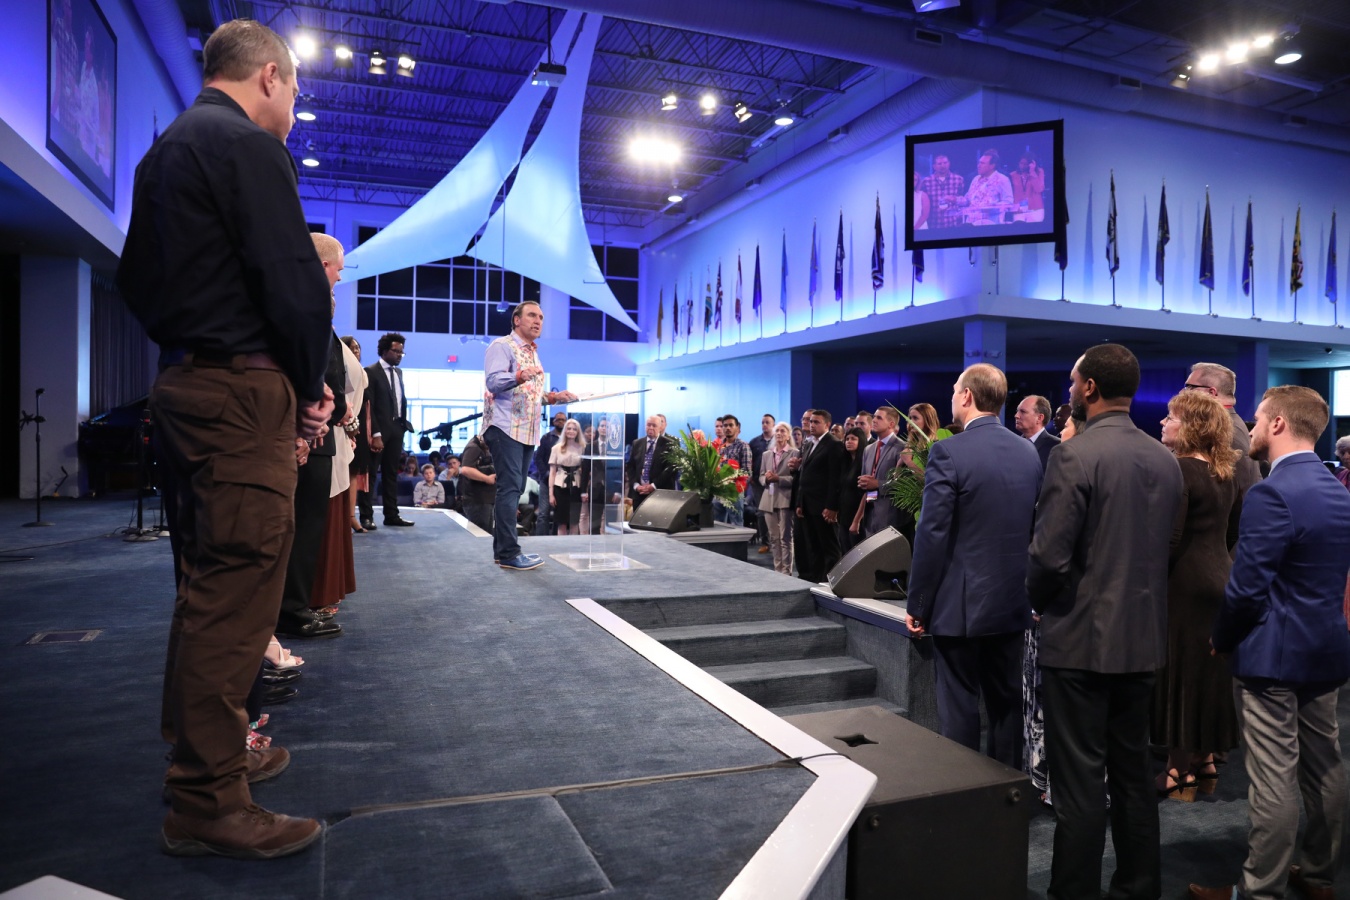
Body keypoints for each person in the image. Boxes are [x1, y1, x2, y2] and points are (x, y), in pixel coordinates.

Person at [116, 18, 330, 859]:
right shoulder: (246, 145)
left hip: (187, 383)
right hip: (241, 396)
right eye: (296, 90)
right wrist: (308, 385)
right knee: (238, 592)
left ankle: (202, 752)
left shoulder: (166, 150)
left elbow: (135, 280)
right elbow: (293, 282)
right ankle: (207, 798)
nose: (294, 109)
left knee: (206, 587)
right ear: (269, 75)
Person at [1027, 344, 1182, 900]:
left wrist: (1038, 601)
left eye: (1073, 381)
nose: (1070, 389)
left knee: (1080, 784)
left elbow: (1049, 557)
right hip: (1142, 641)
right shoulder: (1164, 459)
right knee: (1134, 778)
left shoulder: (1074, 455)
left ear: (1089, 387)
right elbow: (1167, 548)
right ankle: (1139, 888)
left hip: (1080, 643)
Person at [1190, 386, 1350, 900]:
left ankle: (1261, 890)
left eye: (1258, 419)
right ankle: (1319, 875)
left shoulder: (1271, 492)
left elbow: (1246, 588)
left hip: (1272, 658)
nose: (1252, 428)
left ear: (1278, 423)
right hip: (1326, 649)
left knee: (1273, 777)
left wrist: (1221, 638)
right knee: (1325, 765)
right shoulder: (1338, 490)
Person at [907, 364, 1042, 766]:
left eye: (954, 390)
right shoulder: (1028, 451)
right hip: (1013, 601)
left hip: (960, 608)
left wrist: (918, 604)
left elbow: (932, 534)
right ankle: (1006, 793)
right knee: (1006, 706)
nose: (953, 397)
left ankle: (966, 793)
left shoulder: (948, 451)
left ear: (966, 396)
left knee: (959, 708)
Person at [1151, 390, 1243, 800]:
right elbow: (1233, 533)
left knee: (1181, 675)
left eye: (1170, 417)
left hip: (1184, 584)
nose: (1163, 423)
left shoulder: (1179, 469)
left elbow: (1170, 539)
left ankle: (1176, 770)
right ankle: (1205, 760)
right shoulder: (1227, 472)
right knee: (1209, 673)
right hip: (1219, 577)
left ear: (1190, 426)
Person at [481, 300, 575, 569]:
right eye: (532, 315)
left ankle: (502, 552)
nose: (538, 321)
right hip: (504, 427)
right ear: (516, 320)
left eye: (541, 317)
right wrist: (520, 375)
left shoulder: (533, 353)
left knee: (515, 488)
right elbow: (493, 381)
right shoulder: (502, 346)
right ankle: (509, 553)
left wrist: (553, 397)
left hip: (527, 430)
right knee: (510, 488)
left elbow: (529, 394)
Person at [1184, 362, 1263, 499]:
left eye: (1190, 387)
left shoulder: (1228, 430)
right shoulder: (1220, 425)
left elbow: (1239, 487)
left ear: (1211, 393)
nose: (1183, 392)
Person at [365, 332, 414, 527]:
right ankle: (366, 516)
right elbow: (369, 406)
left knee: (391, 474)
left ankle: (391, 515)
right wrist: (375, 433)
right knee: (370, 474)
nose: (400, 355)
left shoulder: (398, 372)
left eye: (402, 352)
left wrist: (402, 426)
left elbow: (400, 401)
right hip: (378, 431)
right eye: (396, 351)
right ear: (384, 351)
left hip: (396, 429)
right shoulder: (371, 371)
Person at [794, 409, 847, 583]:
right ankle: (816, 581)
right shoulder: (810, 444)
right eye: (811, 422)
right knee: (813, 547)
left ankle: (833, 583)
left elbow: (835, 478)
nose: (812, 425)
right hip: (808, 505)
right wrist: (800, 503)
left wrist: (832, 507)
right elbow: (804, 476)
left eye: (816, 422)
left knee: (829, 547)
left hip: (824, 507)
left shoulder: (833, 444)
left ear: (827, 424)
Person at [852, 406, 905, 538]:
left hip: (891, 519)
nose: (874, 420)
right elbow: (868, 487)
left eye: (879, 418)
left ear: (891, 424)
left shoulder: (902, 448)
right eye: (874, 417)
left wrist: (877, 484)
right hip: (870, 518)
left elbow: (904, 485)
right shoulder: (868, 449)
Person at [340, 336, 371, 534]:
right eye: (352, 348)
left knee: (353, 472)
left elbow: (368, 407)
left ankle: (351, 516)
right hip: (341, 423)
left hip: (358, 427)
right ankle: (340, 517)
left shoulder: (363, 373)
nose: (356, 351)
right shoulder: (339, 370)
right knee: (340, 470)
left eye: (358, 347)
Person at [759, 423, 798, 575]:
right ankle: (777, 570)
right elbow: (761, 475)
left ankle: (786, 571)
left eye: (783, 431)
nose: (779, 433)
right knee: (774, 538)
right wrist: (766, 479)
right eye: (777, 431)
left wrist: (778, 479)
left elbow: (796, 479)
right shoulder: (766, 454)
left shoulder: (794, 453)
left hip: (785, 499)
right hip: (768, 499)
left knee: (785, 538)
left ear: (788, 435)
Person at [626, 415, 677, 510]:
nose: (651, 428)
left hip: (660, 495)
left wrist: (653, 485)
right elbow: (631, 467)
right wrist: (636, 485)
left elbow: (670, 469)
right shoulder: (637, 443)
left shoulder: (669, 444)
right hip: (639, 494)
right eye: (648, 425)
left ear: (660, 427)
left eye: (654, 425)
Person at [956, 148, 1014, 224]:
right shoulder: (975, 179)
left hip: (991, 223)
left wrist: (991, 207)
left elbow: (1008, 201)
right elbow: (968, 200)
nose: (978, 166)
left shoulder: (1002, 179)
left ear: (992, 166)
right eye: (979, 163)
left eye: (982, 163)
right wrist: (955, 200)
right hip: (972, 223)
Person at [549, 418, 586, 535]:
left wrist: (585, 491)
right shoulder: (556, 448)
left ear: (578, 432)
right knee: (562, 522)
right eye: (569, 428)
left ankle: (573, 544)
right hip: (560, 487)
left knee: (574, 521)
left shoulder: (583, 447)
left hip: (576, 486)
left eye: (574, 429)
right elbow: (552, 472)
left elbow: (585, 471)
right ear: (565, 430)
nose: (571, 431)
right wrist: (551, 494)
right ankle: (562, 544)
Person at [715, 414, 753, 525]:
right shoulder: (719, 446)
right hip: (719, 491)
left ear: (737, 427)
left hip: (734, 491)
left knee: (736, 524)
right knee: (717, 524)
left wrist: (731, 479)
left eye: (731, 425)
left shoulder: (743, 446)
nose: (728, 428)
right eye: (725, 425)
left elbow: (747, 472)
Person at [532, 411, 566, 535]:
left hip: (562, 481)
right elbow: (538, 458)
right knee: (543, 513)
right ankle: (540, 539)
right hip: (546, 480)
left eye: (563, 420)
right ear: (553, 421)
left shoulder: (568, 439)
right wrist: (546, 474)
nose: (560, 422)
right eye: (558, 419)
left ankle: (556, 539)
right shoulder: (546, 438)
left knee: (560, 513)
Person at [837, 427, 868, 553]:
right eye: (847, 439)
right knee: (845, 553)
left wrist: (857, 520)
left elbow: (869, 494)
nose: (849, 441)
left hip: (859, 518)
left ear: (861, 441)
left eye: (853, 439)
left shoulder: (865, 463)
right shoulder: (845, 462)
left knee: (858, 555)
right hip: (844, 517)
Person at [748, 414, 775, 553]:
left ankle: (776, 542)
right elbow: (749, 461)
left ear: (773, 424)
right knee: (761, 512)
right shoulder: (754, 442)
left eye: (767, 422)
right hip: (758, 482)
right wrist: (752, 477)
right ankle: (765, 542)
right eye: (763, 422)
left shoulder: (778, 440)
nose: (764, 425)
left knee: (774, 512)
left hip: (775, 482)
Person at [459, 433, 496, 532]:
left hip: (484, 499)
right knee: (481, 533)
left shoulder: (482, 446)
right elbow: (466, 469)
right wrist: (487, 478)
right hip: (477, 500)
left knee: (487, 532)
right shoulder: (473, 447)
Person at [1013, 394, 1060, 470]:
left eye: (1023, 412)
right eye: (1017, 411)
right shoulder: (1013, 444)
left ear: (1039, 418)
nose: (1016, 415)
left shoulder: (1057, 447)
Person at [920, 153, 966, 229]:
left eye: (945, 163)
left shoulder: (959, 179)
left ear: (949, 164)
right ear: (934, 166)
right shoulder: (926, 181)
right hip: (934, 223)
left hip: (954, 223)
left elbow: (962, 199)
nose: (943, 166)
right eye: (939, 164)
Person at [1010, 154, 1046, 222]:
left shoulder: (1039, 172)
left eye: (1025, 164)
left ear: (1032, 164)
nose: (1022, 166)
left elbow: (1039, 189)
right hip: (1019, 209)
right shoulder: (1013, 175)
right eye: (1021, 163)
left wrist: (1032, 172)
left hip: (1035, 208)